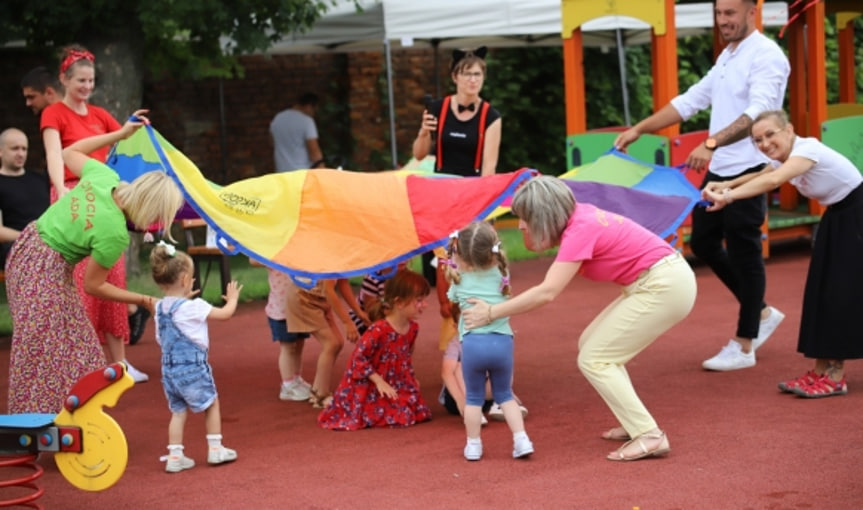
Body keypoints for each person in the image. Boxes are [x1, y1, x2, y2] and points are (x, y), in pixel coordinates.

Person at [462, 176, 697, 461]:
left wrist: (491, 312)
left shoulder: (580, 229)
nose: (521, 225)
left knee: (595, 358)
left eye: (525, 218)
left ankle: (649, 435)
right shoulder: (578, 219)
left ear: (544, 215)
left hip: (664, 286)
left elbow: (547, 292)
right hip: (662, 281)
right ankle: (635, 421)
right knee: (592, 345)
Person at [614, 0, 789, 372]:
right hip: (722, 167)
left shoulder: (767, 56)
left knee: (744, 248)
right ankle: (760, 312)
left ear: (750, 12)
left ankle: (744, 344)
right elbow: (690, 101)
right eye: (719, 14)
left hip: (753, 166)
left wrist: (710, 143)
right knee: (705, 242)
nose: (723, 21)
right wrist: (639, 129)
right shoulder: (728, 55)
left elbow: (758, 114)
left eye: (730, 13)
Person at [5, 114, 184, 414]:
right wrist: (143, 299)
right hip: (42, 269)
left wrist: (121, 135)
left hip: (28, 247)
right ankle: (37, 422)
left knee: (77, 348)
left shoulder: (106, 177)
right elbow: (93, 285)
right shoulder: (114, 233)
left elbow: (69, 153)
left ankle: (62, 416)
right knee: (47, 349)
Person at [702, 110, 863, 398]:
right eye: (757, 140)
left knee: (840, 294)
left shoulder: (807, 150)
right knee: (821, 292)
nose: (764, 143)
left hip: (856, 217)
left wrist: (726, 197)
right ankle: (819, 370)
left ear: (788, 130)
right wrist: (726, 184)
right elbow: (761, 173)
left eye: (769, 135)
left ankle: (835, 376)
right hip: (837, 217)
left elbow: (772, 181)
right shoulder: (784, 157)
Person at [41, 44, 151, 380]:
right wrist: (61, 190)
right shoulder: (54, 114)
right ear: (64, 79)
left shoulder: (101, 115)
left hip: (106, 199)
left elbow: (127, 147)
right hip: (75, 198)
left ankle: (120, 364)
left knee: (113, 279)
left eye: (91, 80)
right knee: (82, 285)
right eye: (81, 81)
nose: (87, 86)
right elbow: (55, 155)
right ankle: (84, 364)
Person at [444, 222, 533, 460]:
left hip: (473, 344)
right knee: (505, 394)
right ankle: (521, 439)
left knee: (473, 398)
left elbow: (450, 297)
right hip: (502, 343)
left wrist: (454, 266)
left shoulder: (459, 278)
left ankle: (473, 445)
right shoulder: (501, 273)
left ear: (459, 253)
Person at [150, 242, 242, 473]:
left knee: (178, 411)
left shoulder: (160, 308)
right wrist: (232, 299)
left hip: (169, 370)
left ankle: (175, 455)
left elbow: (162, 339)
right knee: (211, 403)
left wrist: (183, 300)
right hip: (192, 367)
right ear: (184, 281)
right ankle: (215, 449)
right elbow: (225, 314)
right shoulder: (195, 307)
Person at [318, 269, 433, 430]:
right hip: (371, 381)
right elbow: (358, 358)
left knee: (417, 412)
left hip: (395, 380)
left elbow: (406, 356)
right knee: (399, 415)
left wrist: (410, 378)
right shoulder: (378, 329)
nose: (424, 305)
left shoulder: (413, 328)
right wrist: (379, 382)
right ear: (399, 302)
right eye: (419, 300)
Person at [412, 46, 501, 177]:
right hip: (442, 186)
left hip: (472, 188)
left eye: (477, 74)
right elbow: (418, 155)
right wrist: (424, 132)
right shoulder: (438, 108)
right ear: (455, 77)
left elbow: (489, 169)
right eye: (467, 74)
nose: (473, 80)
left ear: (483, 77)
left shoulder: (491, 116)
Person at [284, 276, 366, 408]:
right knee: (331, 344)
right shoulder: (330, 258)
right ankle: (321, 396)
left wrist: (359, 312)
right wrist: (347, 322)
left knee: (338, 342)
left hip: (320, 298)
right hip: (304, 298)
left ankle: (317, 391)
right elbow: (328, 290)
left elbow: (342, 283)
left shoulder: (342, 258)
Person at [0, 128, 49, 267]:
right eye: (15, 148)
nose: (21, 154)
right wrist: (29, 238)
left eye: (24, 149)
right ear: (1, 151)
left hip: (50, 243)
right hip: (16, 247)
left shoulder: (41, 179)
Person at [269, 92, 325, 172]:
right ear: (309, 106)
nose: (314, 114)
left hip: (281, 172)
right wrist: (322, 171)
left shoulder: (278, 118)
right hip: (301, 174)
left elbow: (271, 142)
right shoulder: (307, 122)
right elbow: (314, 151)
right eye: (314, 111)